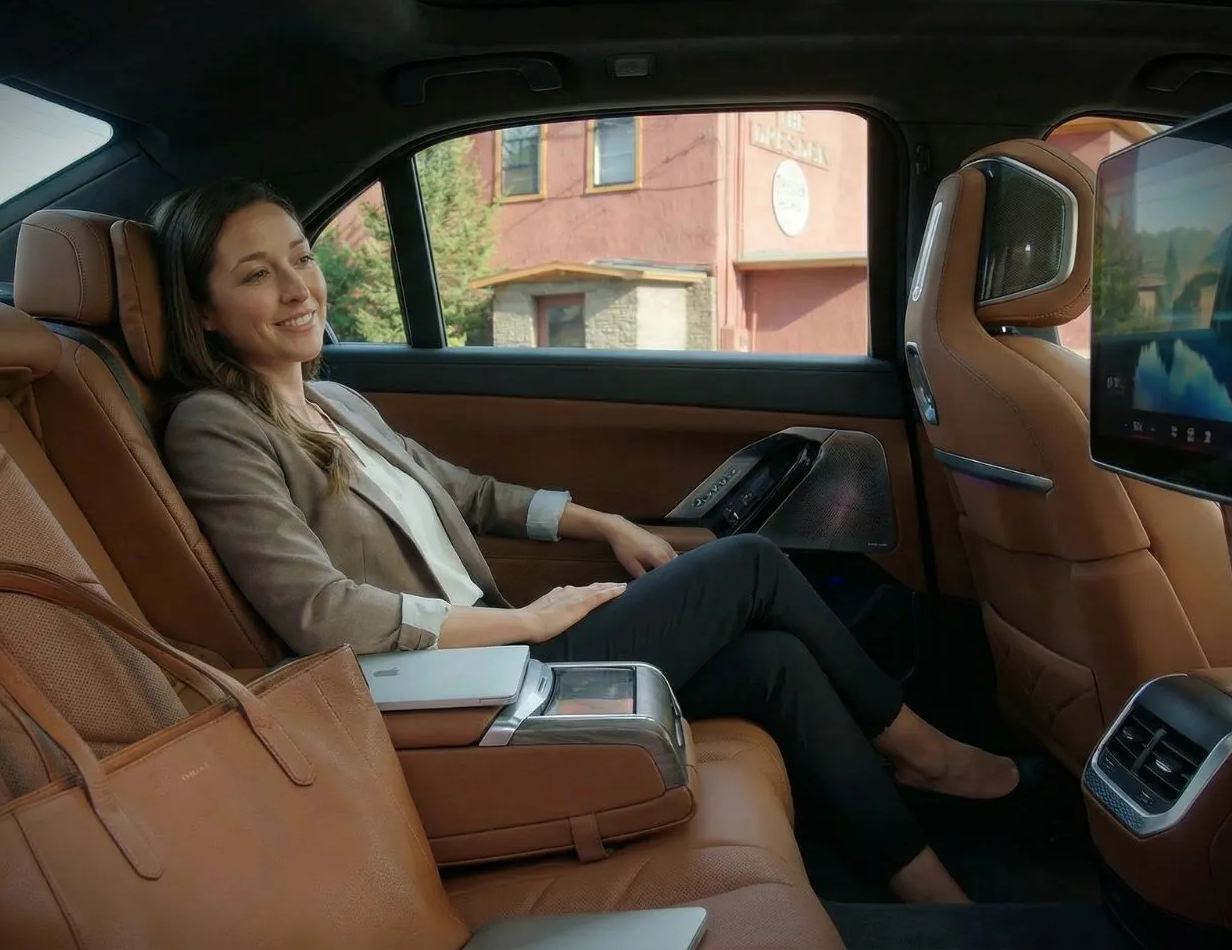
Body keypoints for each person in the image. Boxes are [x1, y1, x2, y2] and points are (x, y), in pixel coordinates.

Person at [155, 178, 1030, 905]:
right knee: (752, 565)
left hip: (496, 657)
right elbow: (319, 613)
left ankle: (933, 896)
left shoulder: (334, 402)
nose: (299, 287)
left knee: (775, 665)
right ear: (205, 313)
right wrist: (527, 624)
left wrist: (605, 523)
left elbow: (471, 494)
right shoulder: (214, 428)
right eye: (257, 275)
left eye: (301, 258)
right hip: (450, 689)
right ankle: (925, 751)